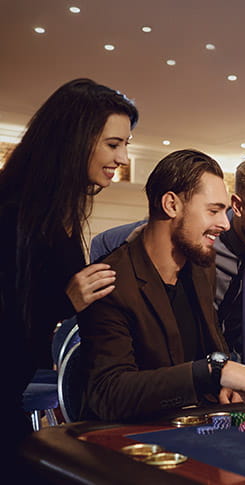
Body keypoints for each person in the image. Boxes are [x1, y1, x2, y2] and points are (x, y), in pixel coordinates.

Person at [78, 149, 245, 422]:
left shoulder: (200, 267)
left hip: (195, 426)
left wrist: (223, 382)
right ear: (171, 205)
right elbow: (108, 395)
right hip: (132, 440)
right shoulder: (109, 281)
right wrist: (211, 372)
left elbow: (210, 350)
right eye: (213, 210)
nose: (224, 224)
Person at [0, 78, 138, 451]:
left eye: (126, 145)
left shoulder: (60, 215)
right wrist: (67, 301)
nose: (123, 159)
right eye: (113, 144)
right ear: (72, 140)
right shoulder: (11, 214)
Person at [88, 154, 245, 368]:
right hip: (190, 358)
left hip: (241, 355)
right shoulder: (197, 238)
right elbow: (128, 238)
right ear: (237, 206)